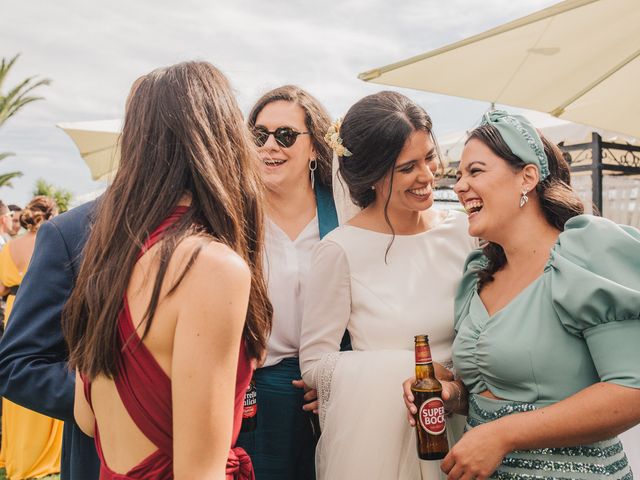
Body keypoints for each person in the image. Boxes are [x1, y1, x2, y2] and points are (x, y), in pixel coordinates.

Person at [62, 61, 272, 480]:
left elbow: (87, 418)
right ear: (222, 142)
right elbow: (200, 474)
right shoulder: (210, 266)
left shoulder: (109, 257)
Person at [403, 110, 640, 479]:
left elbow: (632, 391)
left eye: (476, 171)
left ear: (527, 177)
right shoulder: (478, 275)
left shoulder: (586, 255)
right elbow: (493, 393)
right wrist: (451, 393)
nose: (460, 185)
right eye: (460, 174)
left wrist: (504, 436)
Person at [299, 91, 476, 479]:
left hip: (469, 425)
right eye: (407, 166)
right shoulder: (340, 250)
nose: (428, 175)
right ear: (374, 175)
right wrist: (415, 376)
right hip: (384, 439)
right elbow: (314, 363)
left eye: (429, 157)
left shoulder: (465, 232)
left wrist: (450, 385)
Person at [236, 85, 339, 480]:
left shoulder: (345, 214)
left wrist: (338, 373)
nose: (269, 147)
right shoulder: (234, 215)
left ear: (315, 147)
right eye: (259, 135)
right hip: (255, 393)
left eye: (285, 136)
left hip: (331, 394)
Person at [0, 196, 63, 480]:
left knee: (18, 372)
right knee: (45, 369)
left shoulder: (9, 247)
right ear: (51, 215)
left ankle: (17, 451)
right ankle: (44, 454)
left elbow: (1, 288)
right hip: (43, 311)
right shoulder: (53, 240)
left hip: (15, 310)